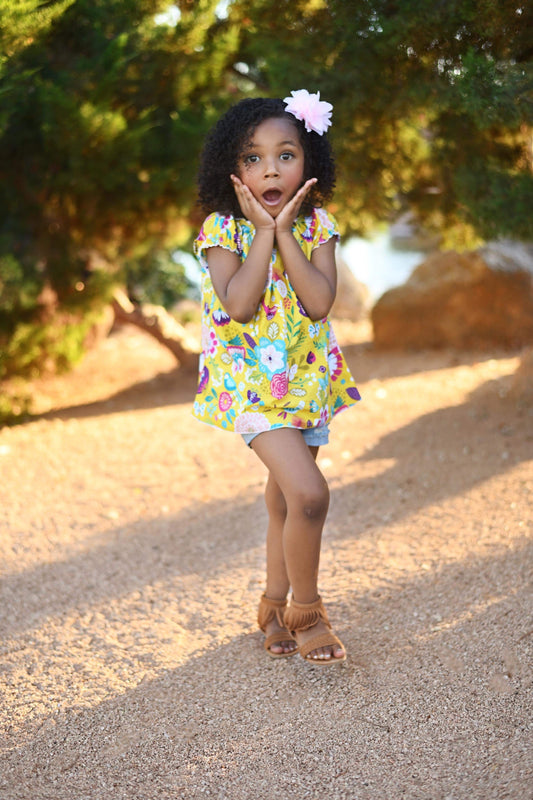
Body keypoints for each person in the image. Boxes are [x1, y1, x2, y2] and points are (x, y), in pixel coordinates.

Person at [193, 90, 360, 665]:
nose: (270, 168)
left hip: (305, 383)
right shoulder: (222, 230)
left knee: (285, 502)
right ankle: (307, 613)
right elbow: (239, 304)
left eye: (286, 155)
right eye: (253, 157)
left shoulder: (317, 227)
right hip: (250, 391)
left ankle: (271, 606)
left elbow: (318, 304)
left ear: (309, 162)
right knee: (310, 495)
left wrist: (287, 231)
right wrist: (263, 231)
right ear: (232, 169)